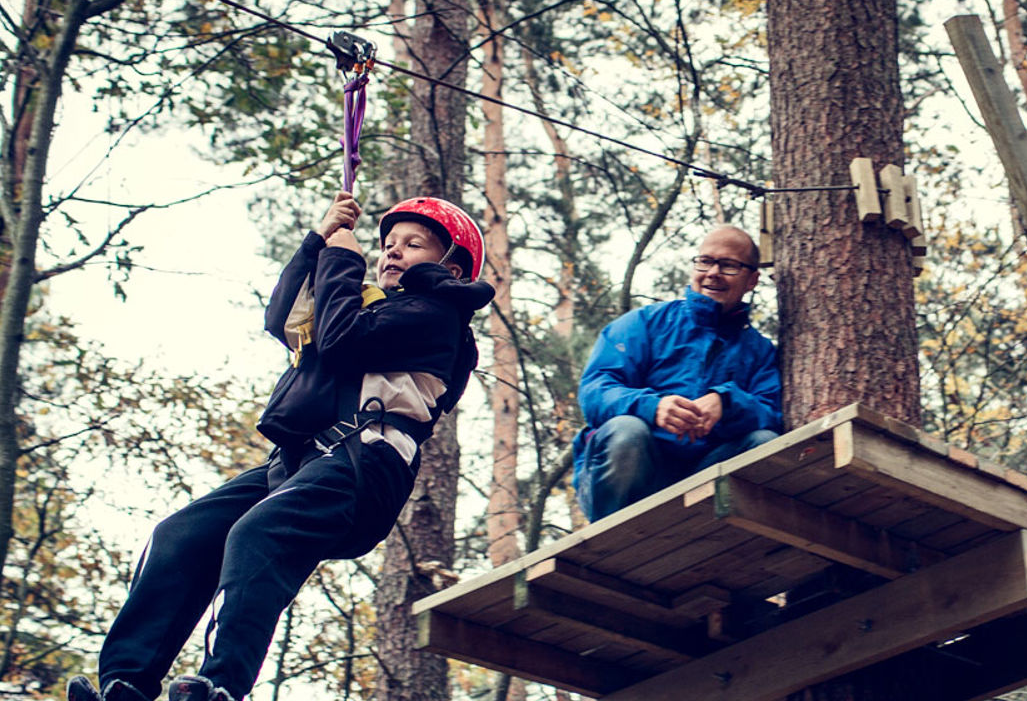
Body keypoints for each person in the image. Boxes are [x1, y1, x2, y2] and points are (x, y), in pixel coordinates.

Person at [68, 191, 494, 701]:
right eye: (388, 244)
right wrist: (319, 242)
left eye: (414, 245)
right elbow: (284, 320)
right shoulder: (369, 304)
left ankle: (221, 684)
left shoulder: (438, 315)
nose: (392, 252)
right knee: (182, 535)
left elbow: (340, 341)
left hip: (368, 462)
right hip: (304, 460)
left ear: (453, 266)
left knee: (257, 534)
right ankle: (126, 681)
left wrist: (343, 256)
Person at [572, 225, 783, 521]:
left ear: (752, 279)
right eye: (705, 261)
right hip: (628, 479)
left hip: (702, 478)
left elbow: (774, 411)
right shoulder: (644, 323)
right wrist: (653, 407)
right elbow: (595, 391)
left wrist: (727, 404)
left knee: (763, 442)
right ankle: (612, 541)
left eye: (729, 265)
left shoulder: (759, 351)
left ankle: (718, 540)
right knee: (627, 431)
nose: (713, 273)